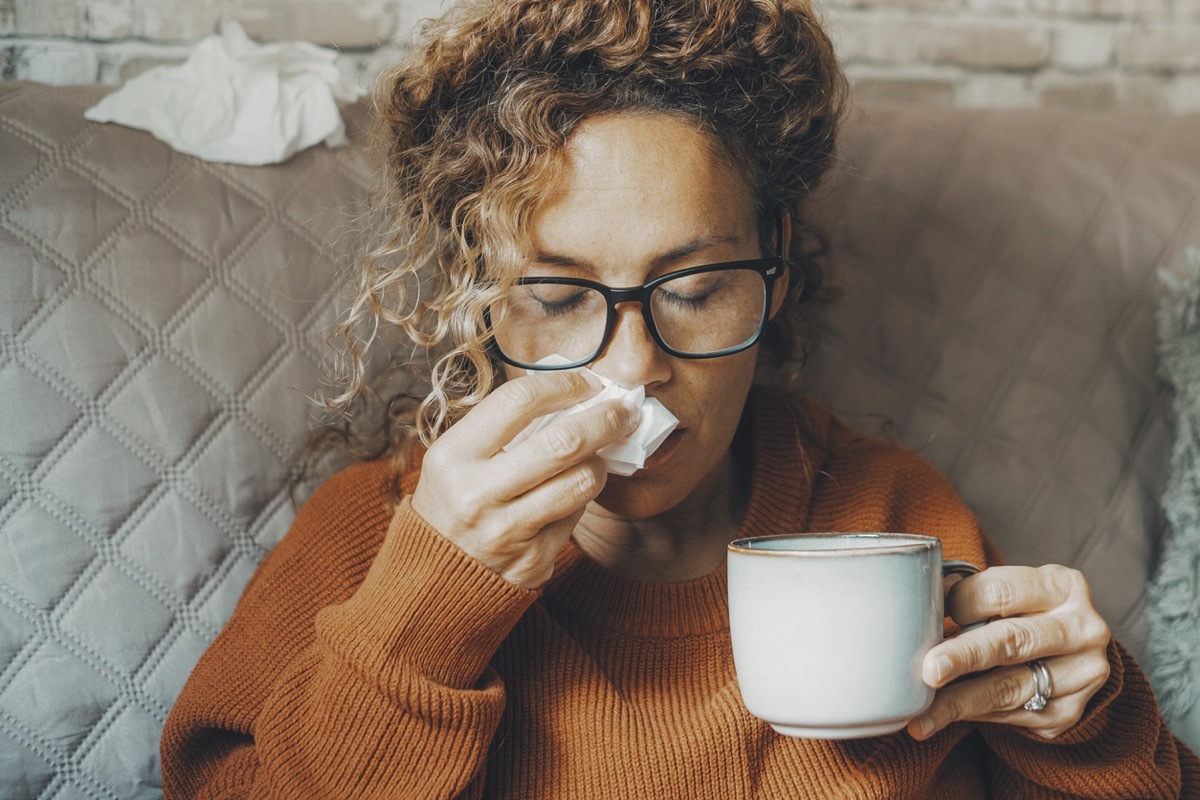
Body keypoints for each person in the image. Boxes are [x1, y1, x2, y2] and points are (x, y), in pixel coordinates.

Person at [160, 0, 1199, 797]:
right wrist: (420, 623)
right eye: (561, 296)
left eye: (695, 290)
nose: (630, 369)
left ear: (775, 267)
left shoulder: (890, 518)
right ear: (483, 299)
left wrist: (1090, 721)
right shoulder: (377, 535)